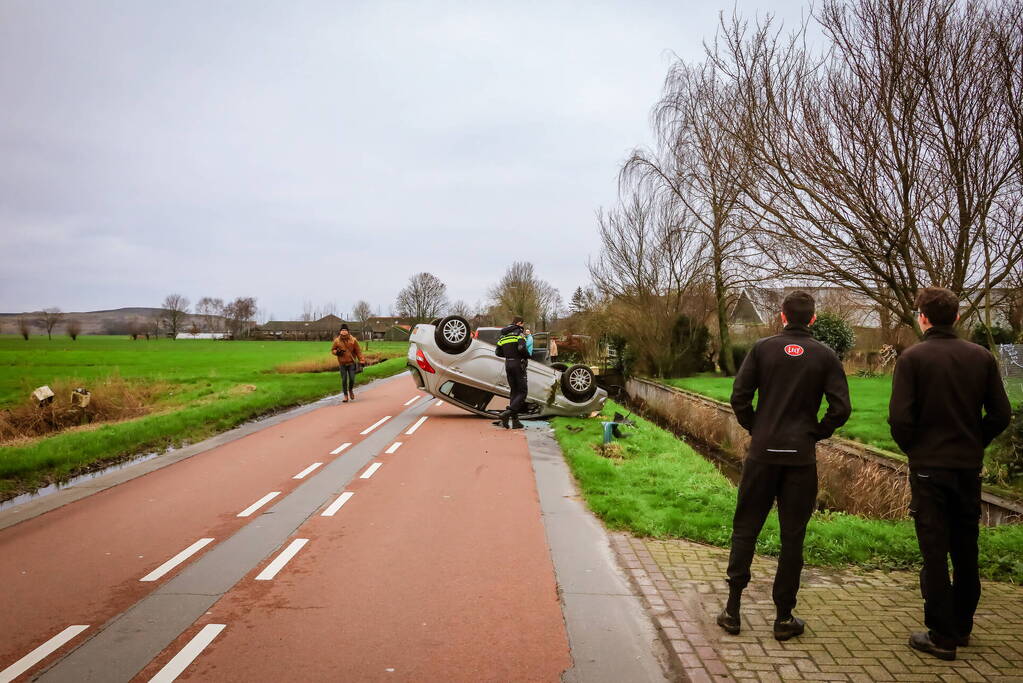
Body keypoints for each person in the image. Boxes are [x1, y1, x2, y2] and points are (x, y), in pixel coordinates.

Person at [888, 287, 1011, 661]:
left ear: (922, 317)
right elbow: (1001, 415)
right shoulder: (982, 357)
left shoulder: (912, 359)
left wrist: (918, 451)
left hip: (929, 469)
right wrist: (975, 442)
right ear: (956, 317)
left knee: (934, 550)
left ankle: (941, 636)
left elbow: (900, 419)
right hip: (967, 468)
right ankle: (962, 625)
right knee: (965, 547)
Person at [720, 291, 851, 641]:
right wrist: (816, 433)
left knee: (746, 528)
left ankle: (732, 611)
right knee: (793, 536)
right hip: (800, 459)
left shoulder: (762, 349)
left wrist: (756, 427)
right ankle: (783, 618)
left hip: (762, 455)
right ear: (812, 319)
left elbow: (739, 397)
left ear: (781, 316)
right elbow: (841, 408)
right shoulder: (825, 355)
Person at [495, 316, 530, 429]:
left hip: (508, 364)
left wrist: (508, 355)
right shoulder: (519, 333)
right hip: (518, 364)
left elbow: (497, 352)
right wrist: (527, 355)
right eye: (522, 324)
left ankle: (515, 422)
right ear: (519, 323)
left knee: (514, 392)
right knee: (523, 391)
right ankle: (507, 413)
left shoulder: (503, 335)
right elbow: (521, 348)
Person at [331, 324, 366, 403]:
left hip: (351, 363)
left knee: (352, 379)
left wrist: (362, 360)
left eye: (345, 330)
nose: (343, 332)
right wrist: (337, 352)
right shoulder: (337, 341)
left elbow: (358, 351)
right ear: (340, 331)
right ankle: (345, 396)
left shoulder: (353, 340)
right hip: (342, 364)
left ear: (348, 331)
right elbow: (333, 350)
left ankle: (350, 390)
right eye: (342, 330)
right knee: (344, 380)